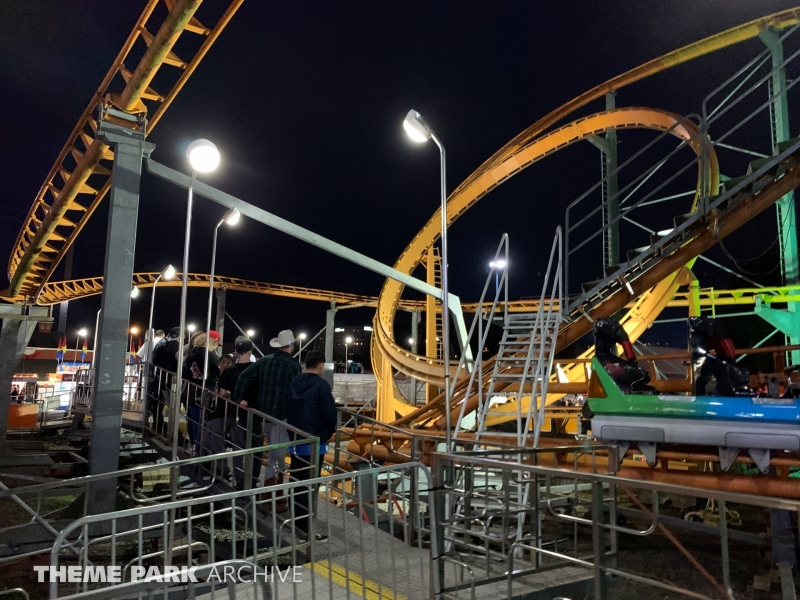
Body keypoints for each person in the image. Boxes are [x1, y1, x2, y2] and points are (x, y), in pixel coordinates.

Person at [233, 329, 301, 490]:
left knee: (271, 450)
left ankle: (270, 491)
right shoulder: (293, 365)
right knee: (276, 457)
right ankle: (270, 493)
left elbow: (244, 376)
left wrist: (238, 398)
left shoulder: (265, 360)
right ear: (291, 345)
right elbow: (297, 392)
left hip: (264, 414)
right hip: (283, 416)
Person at [287, 351, 336, 537]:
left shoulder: (294, 383)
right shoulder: (322, 386)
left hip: (296, 441)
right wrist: (327, 433)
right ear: (320, 365)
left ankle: (296, 523)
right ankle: (307, 530)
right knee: (310, 486)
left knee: (297, 482)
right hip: (316, 443)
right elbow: (330, 414)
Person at [219, 337, 259, 486]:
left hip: (234, 414)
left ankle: (240, 481)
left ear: (236, 351)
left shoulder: (229, 370)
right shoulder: (257, 369)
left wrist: (232, 396)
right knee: (255, 449)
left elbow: (222, 394)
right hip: (254, 414)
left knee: (237, 448)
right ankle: (253, 481)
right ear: (250, 352)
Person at [182, 330, 221, 451]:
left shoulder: (190, 355)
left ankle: (194, 445)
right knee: (203, 423)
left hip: (191, 391)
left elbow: (185, 374)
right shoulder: (211, 356)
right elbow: (216, 373)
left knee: (194, 421)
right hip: (205, 393)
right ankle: (201, 448)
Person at [149, 327, 181, 435]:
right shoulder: (179, 348)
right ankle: (174, 432)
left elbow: (154, 361)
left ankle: (157, 426)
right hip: (174, 382)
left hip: (160, 380)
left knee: (158, 405)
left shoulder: (161, 347)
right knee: (174, 407)